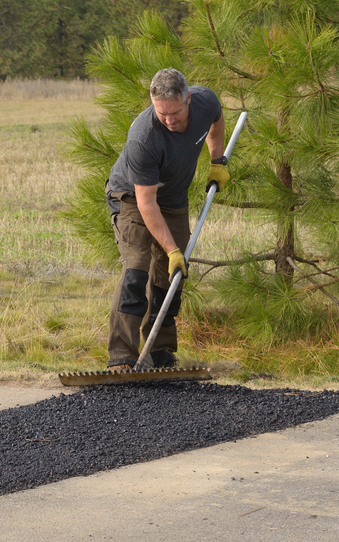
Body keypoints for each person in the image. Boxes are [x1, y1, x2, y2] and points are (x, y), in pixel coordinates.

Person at [104, 68, 229, 372]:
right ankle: (121, 357)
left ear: (187, 98)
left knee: (170, 277)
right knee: (137, 268)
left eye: (174, 112)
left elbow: (216, 121)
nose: (169, 120)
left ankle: (160, 354)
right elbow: (146, 204)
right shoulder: (143, 137)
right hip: (133, 197)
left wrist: (217, 160)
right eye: (162, 114)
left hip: (173, 199)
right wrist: (172, 249)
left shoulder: (205, 101)